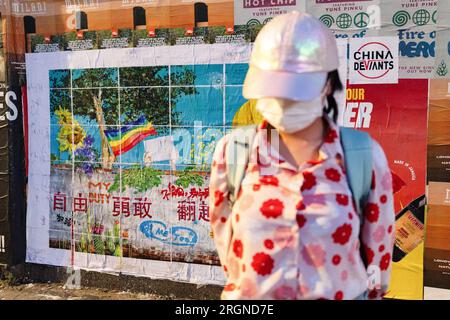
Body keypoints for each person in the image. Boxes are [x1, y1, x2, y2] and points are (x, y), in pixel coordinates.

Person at [209, 12, 395, 300]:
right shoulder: (234, 153)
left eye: (296, 91)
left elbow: (377, 259)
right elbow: (227, 246)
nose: (283, 102)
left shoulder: (362, 155)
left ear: (329, 85)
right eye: (273, 89)